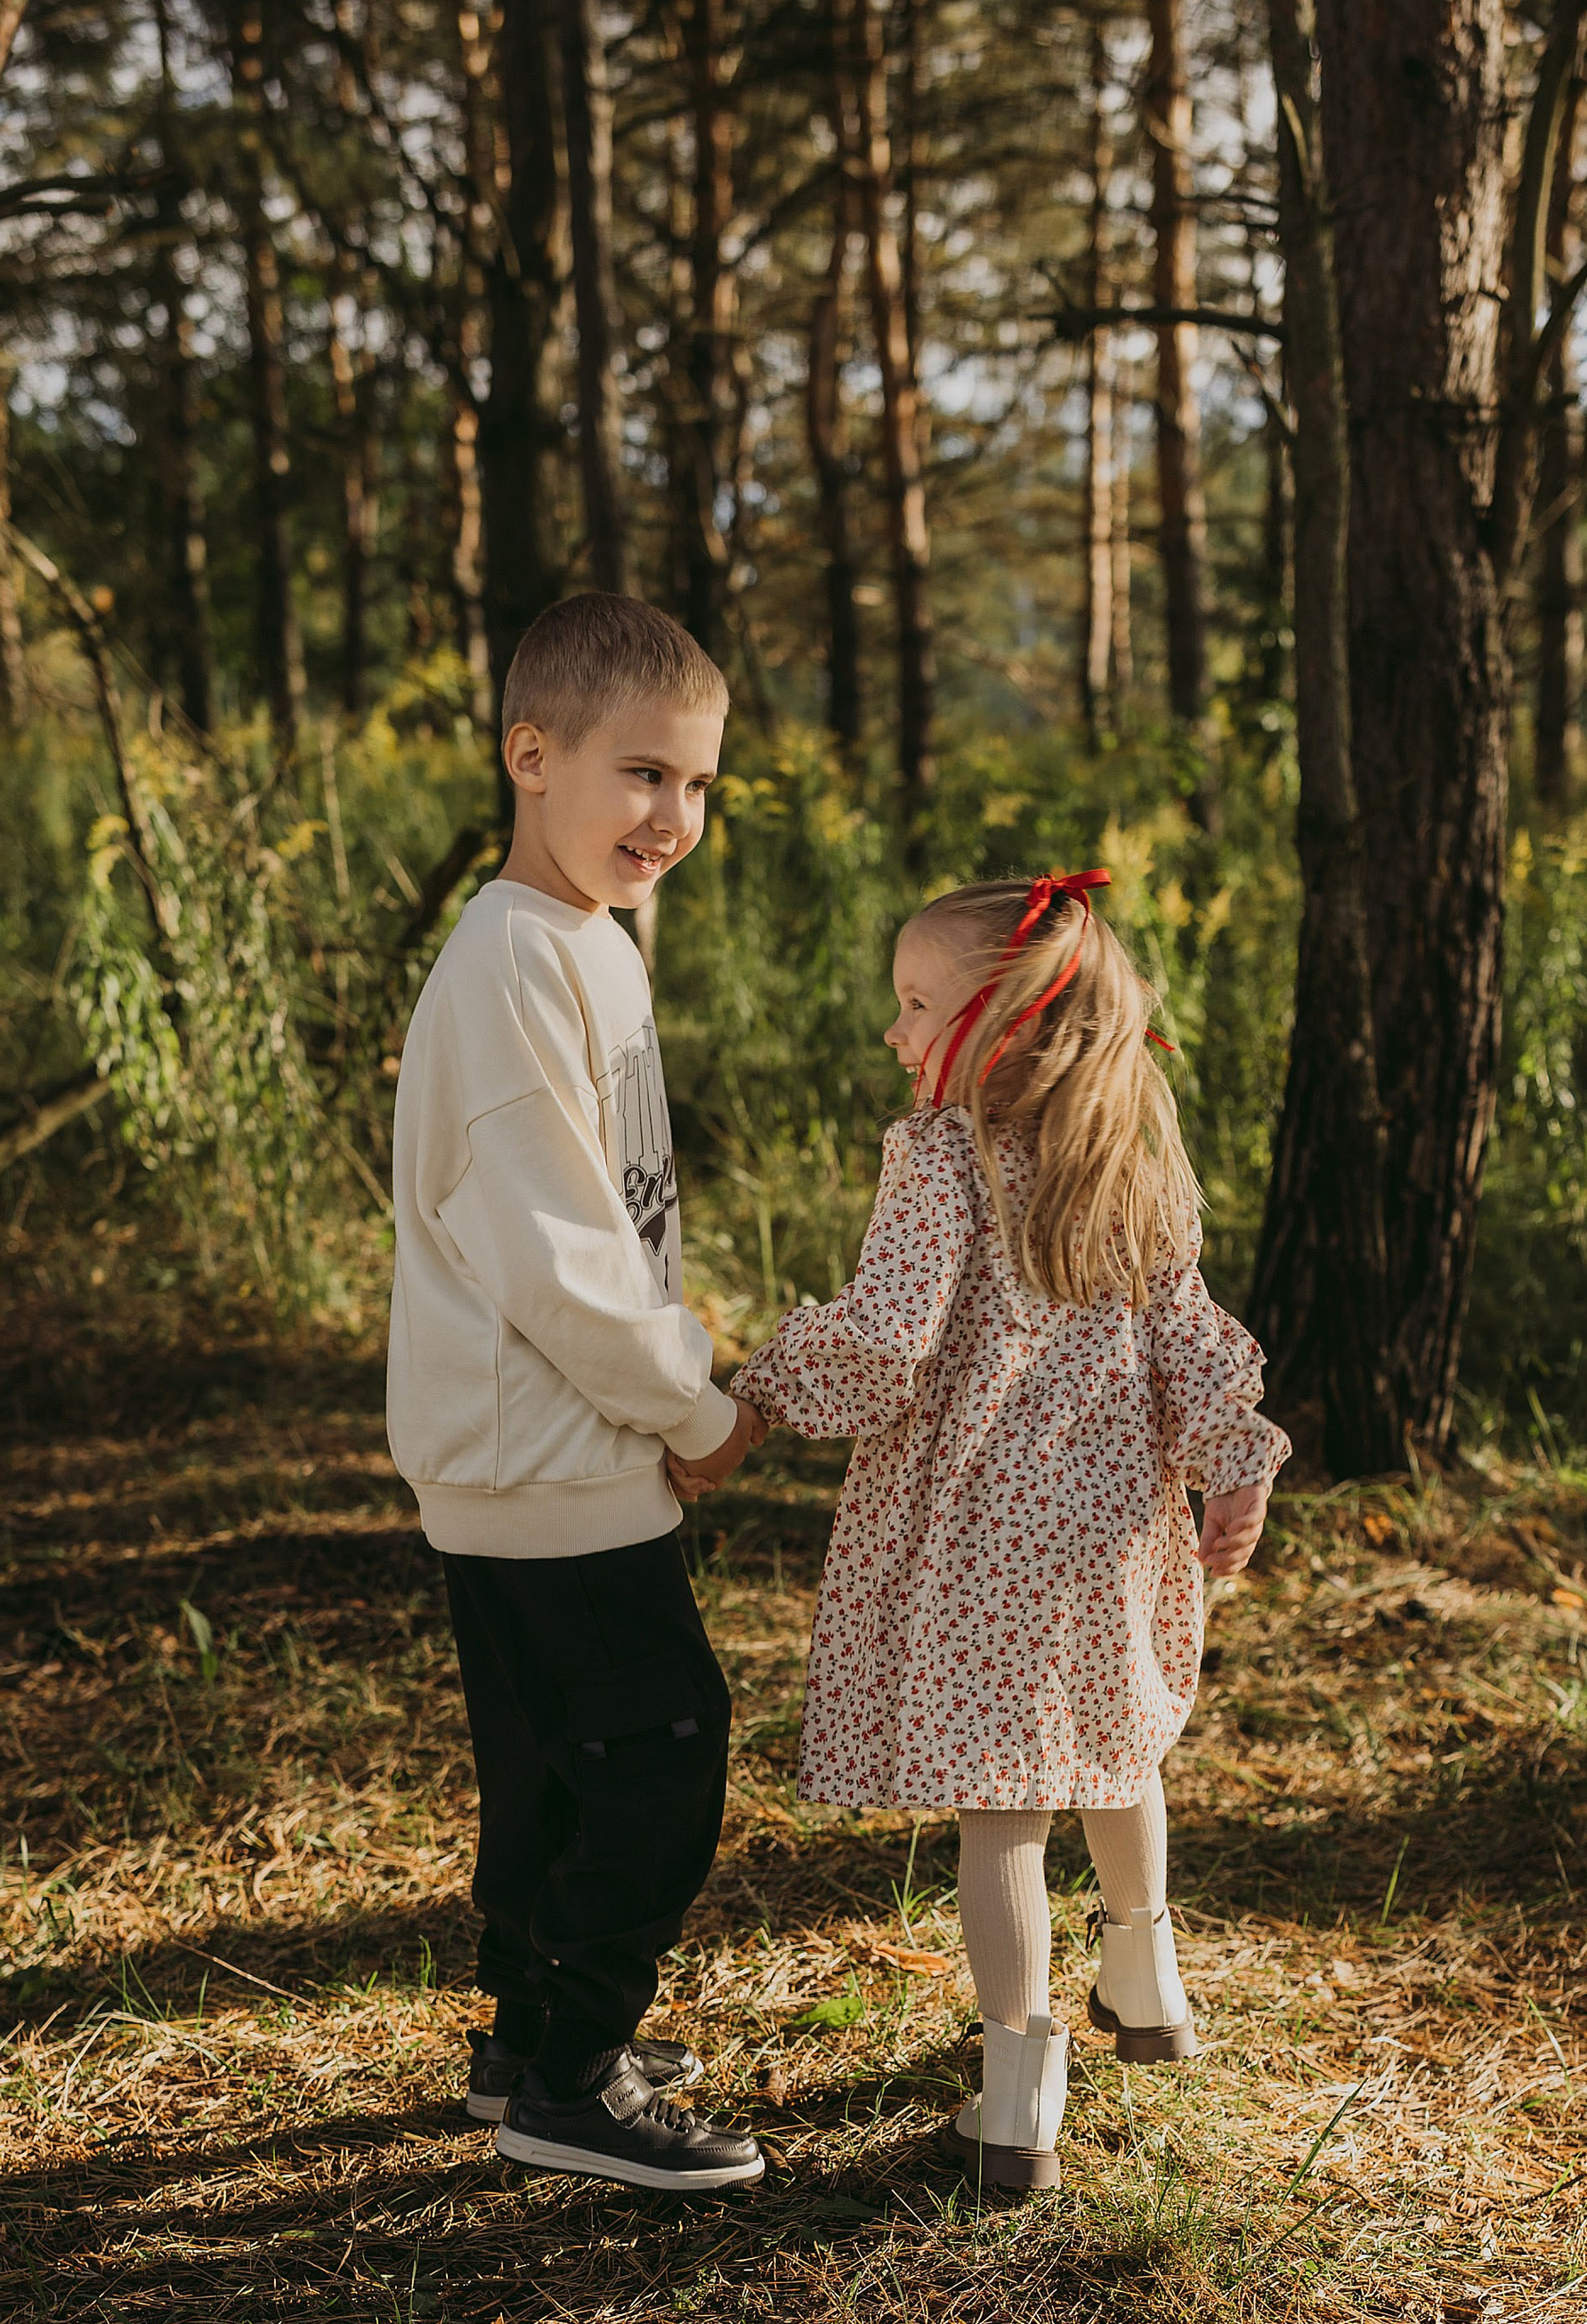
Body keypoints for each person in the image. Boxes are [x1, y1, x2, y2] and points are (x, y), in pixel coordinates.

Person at [721, 871, 1287, 2197]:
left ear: (1011, 1024)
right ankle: (1146, 1985)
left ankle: (1018, 2101)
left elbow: (884, 1345)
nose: (895, 1033)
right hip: (1111, 1539)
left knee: (1005, 1818)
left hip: (983, 1548)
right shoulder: (1134, 1160)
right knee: (1120, 1746)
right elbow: (1189, 1342)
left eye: (918, 1005)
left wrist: (759, 1382)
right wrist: (1232, 1455)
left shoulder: (942, 1159)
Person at [387, 593, 767, 2194]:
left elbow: (610, 1219)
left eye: (696, 785)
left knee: (549, 1761)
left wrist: (658, 1390)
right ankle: (577, 2077)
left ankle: (527, 2029)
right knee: (666, 1755)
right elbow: (560, 1253)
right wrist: (692, 1408)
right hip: (547, 1445)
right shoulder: (512, 966)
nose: (671, 817)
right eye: (639, 776)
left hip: (536, 1446)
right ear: (530, 759)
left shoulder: (582, 943)